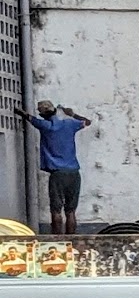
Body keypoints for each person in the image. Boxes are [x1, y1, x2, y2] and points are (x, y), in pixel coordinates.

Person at [25, 101, 92, 236]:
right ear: (55, 110)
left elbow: (28, 117)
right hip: (74, 173)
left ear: (43, 115)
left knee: (56, 210)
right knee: (71, 211)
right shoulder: (70, 124)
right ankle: (71, 239)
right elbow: (87, 122)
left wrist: (19, 111)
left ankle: (57, 240)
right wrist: (72, 114)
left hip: (57, 174)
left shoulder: (44, 125)